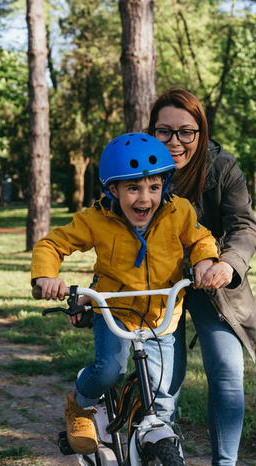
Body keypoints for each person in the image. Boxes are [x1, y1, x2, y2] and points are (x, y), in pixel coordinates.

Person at [30, 132, 219, 455]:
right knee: (109, 370)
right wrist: (47, 276)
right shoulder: (96, 219)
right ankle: (80, 404)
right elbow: (52, 244)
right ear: (113, 189)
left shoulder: (180, 212)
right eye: (133, 188)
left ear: (165, 186)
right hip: (113, 310)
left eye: (154, 188)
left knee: (162, 396)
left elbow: (202, 240)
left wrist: (206, 262)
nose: (144, 198)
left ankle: (152, 444)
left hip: (162, 314)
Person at [147, 88, 256, 465]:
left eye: (186, 132)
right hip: (158, 285)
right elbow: (110, 232)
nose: (175, 142)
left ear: (201, 132)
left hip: (214, 285)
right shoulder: (137, 164)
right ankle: (162, 454)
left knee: (227, 372)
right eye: (165, 131)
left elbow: (244, 226)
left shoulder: (223, 167)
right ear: (152, 131)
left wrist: (227, 265)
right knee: (164, 381)